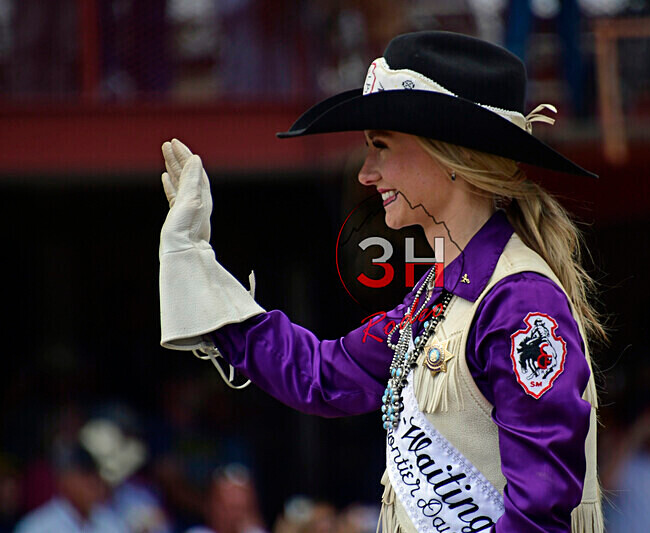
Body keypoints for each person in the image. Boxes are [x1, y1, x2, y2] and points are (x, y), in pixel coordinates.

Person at [158, 31, 604, 532]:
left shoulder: (519, 300)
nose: (367, 173)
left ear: (448, 154)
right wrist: (194, 264)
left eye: (382, 147)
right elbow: (324, 376)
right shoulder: (442, 291)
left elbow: (540, 514)